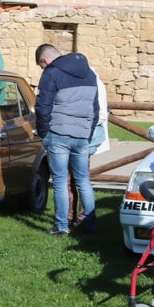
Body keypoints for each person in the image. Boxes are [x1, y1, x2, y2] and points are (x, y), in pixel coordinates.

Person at [34, 44, 99, 235]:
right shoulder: (90, 74)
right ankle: (89, 222)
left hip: (59, 134)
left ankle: (61, 226)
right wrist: (88, 132)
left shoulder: (51, 73)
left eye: (41, 65)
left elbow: (42, 107)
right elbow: (95, 109)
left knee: (61, 181)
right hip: (82, 135)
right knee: (83, 180)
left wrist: (44, 133)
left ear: (44, 60)